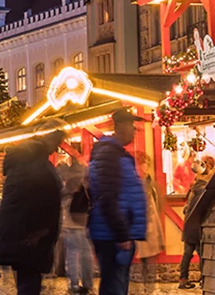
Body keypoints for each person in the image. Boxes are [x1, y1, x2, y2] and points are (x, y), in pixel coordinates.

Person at [0, 121, 65, 295]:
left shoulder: (24, 163)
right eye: (56, 143)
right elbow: (37, 200)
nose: (56, 150)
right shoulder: (36, 166)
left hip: (21, 231)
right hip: (30, 235)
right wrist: (38, 231)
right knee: (29, 281)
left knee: (26, 280)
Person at [87, 109, 147, 295]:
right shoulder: (110, 155)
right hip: (112, 235)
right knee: (115, 286)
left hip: (115, 232)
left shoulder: (114, 154)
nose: (134, 131)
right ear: (121, 126)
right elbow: (107, 196)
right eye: (132, 126)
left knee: (115, 284)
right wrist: (121, 234)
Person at [59, 157, 92, 295]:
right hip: (83, 222)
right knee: (86, 254)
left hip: (68, 223)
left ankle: (73, 284)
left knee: (72, 254)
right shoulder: (85, 180)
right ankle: (87, 284)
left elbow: (61, 200)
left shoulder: (66, 181)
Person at [177, 158, 212, 289]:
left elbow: (185, 208)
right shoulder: (203, 190)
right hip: (197, 226)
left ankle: (183, 279)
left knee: (187, 253)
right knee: (202, 253)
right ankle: (204, 279)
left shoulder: (193, 189)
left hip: (189, 225)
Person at [134, 161, 165, 292]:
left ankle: (149, 288)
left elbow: (158, 205)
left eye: (146, 164)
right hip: (142, 226)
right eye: (142, 164)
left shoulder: (151, 185)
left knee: (150, 260)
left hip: (151, 225)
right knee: (145, 259)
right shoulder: (137, 186)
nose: (144, 167)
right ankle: (146, 286)